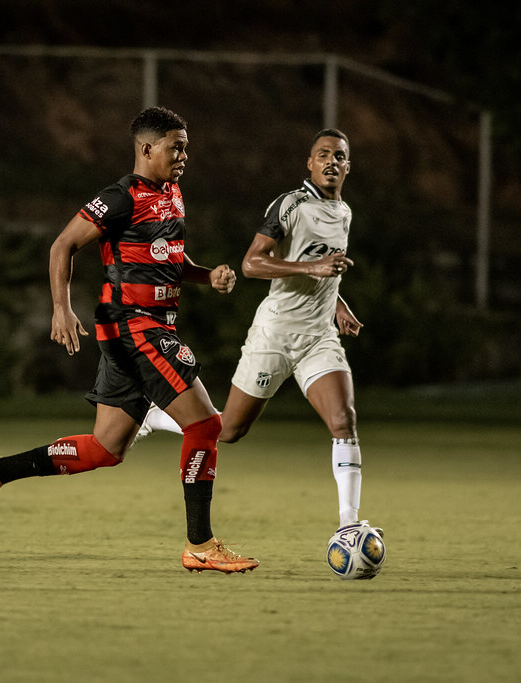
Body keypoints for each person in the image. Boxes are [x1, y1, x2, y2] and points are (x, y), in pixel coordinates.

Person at [0, 106, 259, 574]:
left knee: (105, 449)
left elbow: (168, 259)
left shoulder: (173, 195)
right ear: (147, 148)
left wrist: (207, 277)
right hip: (135, 328)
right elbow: (62, 244)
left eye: (186, 146)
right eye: (175, 146)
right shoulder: (121, 196)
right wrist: (61, 308)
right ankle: (200, 545)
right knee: (205, 427)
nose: (184, 154)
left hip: (144, 328)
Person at [135, 129, 377, 536]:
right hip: (275, 335)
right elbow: (251, 264)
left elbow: (324, 268)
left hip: (319, 338)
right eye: (323, 155)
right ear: (310, 164)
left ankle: (349, 526)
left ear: (348, 166)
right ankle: (155, 416)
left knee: (343, 419)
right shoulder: (291, 205)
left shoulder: (345, 213)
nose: (331, 161)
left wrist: (338, 303)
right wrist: (311, 269)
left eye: (340, 156)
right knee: (228, 430)